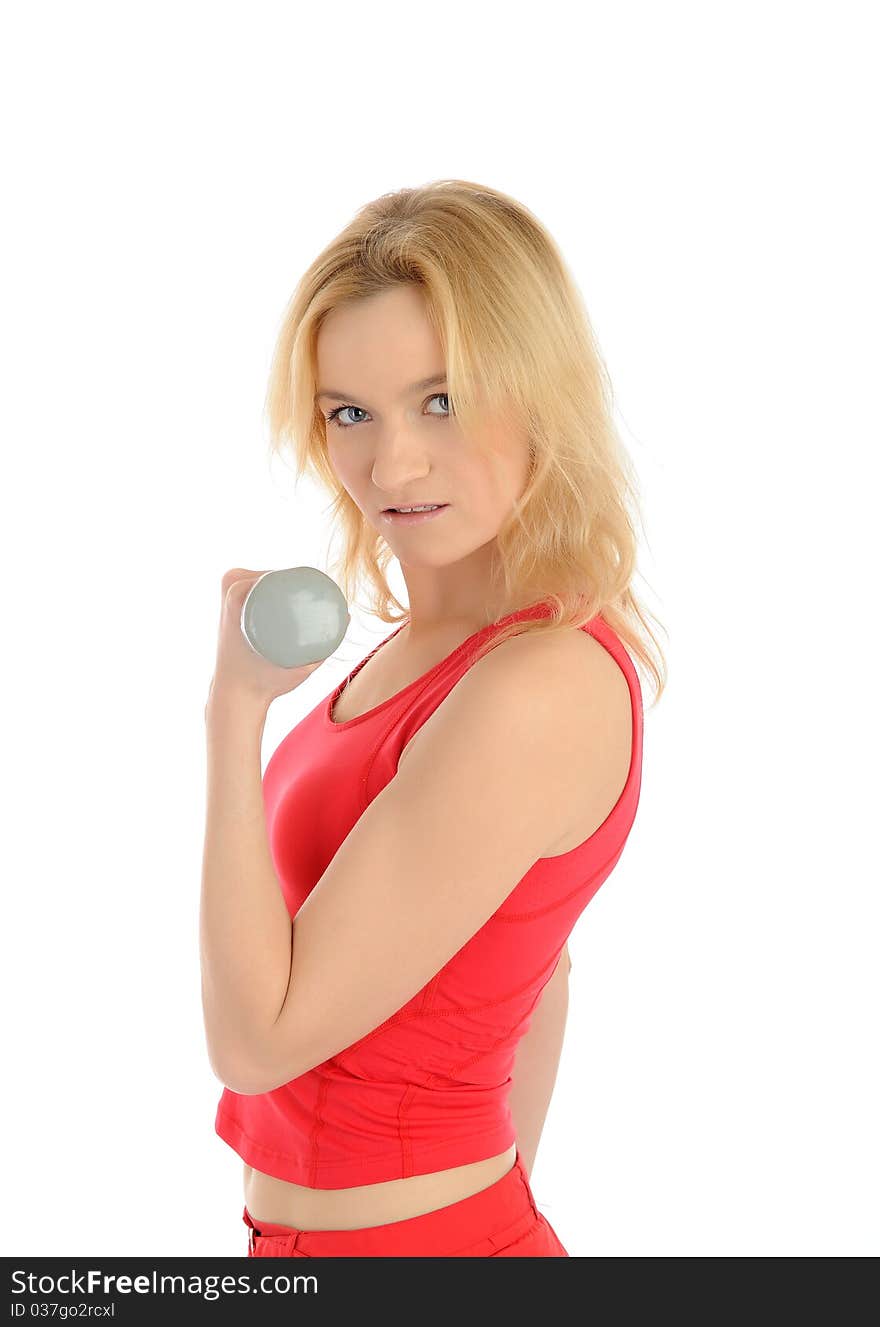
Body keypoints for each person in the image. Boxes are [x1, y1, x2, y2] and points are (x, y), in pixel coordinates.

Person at [200, 179, 666, 1257]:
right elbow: (538, 974)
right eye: (349, 412)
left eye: (441, 400)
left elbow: (254, 1041)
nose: (391, 464)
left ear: (537, 391)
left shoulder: (534, 684)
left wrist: (230, 718)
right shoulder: (423, 653)